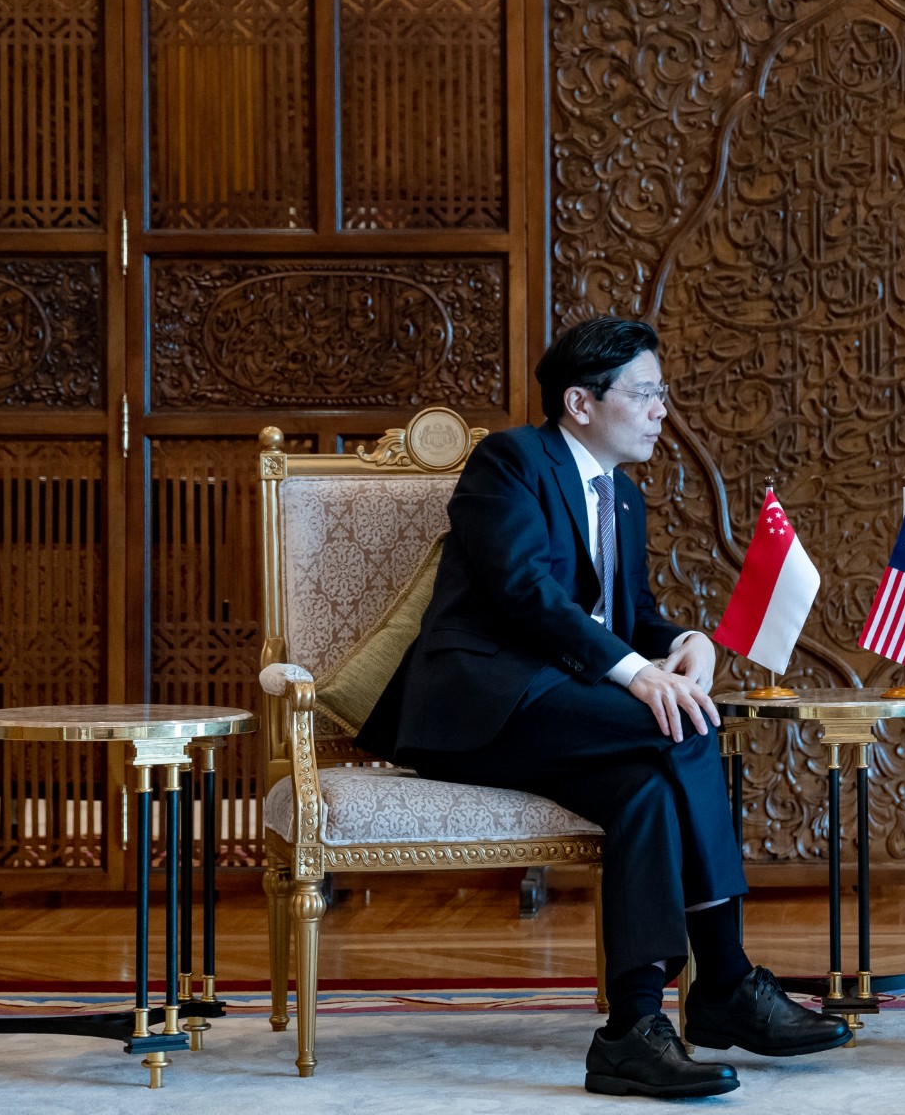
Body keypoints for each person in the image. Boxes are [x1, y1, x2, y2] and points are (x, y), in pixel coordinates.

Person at [359, 316, 850, 1099]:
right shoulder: (512, 461)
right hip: (481, 705)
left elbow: (634, 616)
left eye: (662, 394)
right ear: (581, 403)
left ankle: (631, 1031)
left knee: (646, 792)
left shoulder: (622, 497)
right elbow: (527, 595)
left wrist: (686, 640)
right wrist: (633, 674)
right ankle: (723, 979)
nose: (663, 410)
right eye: (647, 393)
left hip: (563, 709)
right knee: (687, 721)